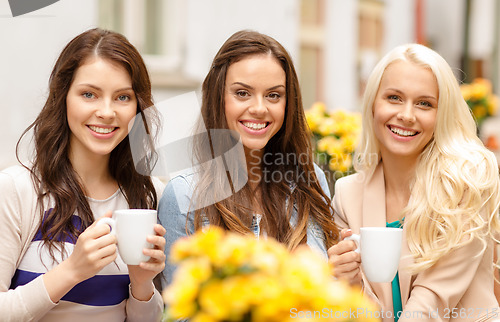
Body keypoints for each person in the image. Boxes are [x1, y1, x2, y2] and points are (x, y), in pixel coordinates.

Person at [0, 28, 166, 321]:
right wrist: (72, 271)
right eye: (89, 94)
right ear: (63, 96)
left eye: (122, 97)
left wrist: (142, 285)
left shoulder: (149, 196)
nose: (106, 111)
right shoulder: (18, 189)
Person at [328, 43, 500, 322]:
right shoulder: (347, 195)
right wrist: (350, 285)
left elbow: (432, 302)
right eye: (394, 98)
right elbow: (362, 312)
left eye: (424, 103)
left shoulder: (467, 182)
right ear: (373, 104)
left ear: (441, 114)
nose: (407, 115)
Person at [158, 30, 339, 286]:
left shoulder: (308, 182)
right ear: (217, 98)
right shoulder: (185, 196)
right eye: (242, 93)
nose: (259, 108)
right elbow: (180, 312)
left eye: (273, 95)